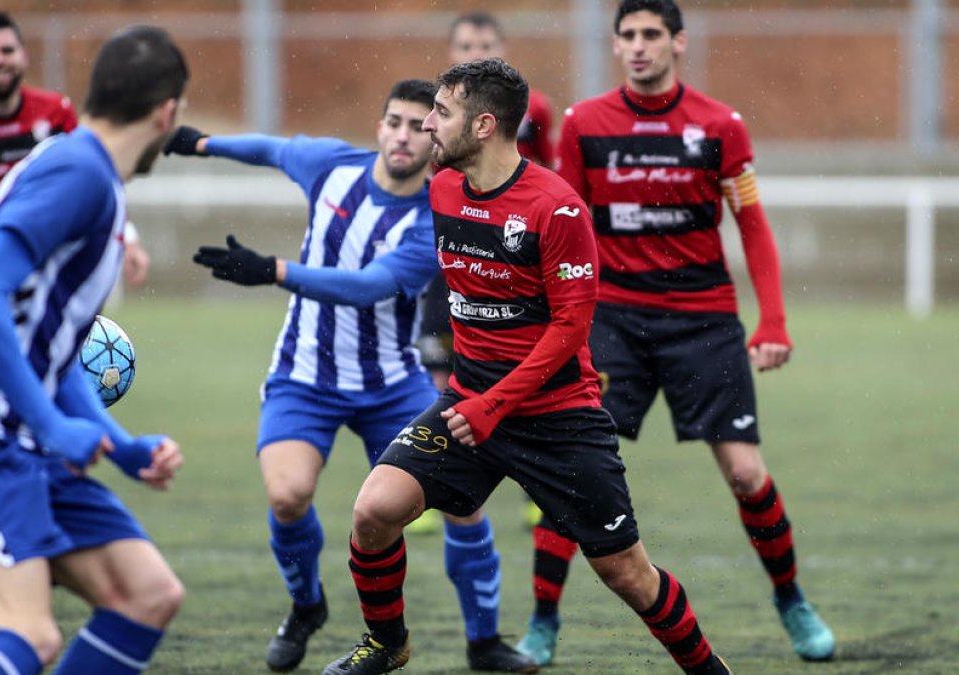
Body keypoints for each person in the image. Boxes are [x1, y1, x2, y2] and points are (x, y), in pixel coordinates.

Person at [321, 57, 731, 675]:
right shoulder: (443, 185)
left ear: (484, 126)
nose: (429, 124)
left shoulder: (556, 209)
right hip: (468, 407)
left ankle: (708, 669)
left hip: (557, 417)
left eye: (442, 112)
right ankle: (386, 643)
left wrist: (495, 404)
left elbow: (571, 328)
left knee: (628, 575)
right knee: (374, 510)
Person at [166, 79, 536, 674]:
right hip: (304, 376)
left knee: (463, 506)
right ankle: (306, 606)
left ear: (437, 136)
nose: (403, 135)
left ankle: (483, 640)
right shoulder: (335, 165)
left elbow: (369, 287)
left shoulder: (433, 219)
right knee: (288, 496)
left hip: (393, 383)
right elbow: (273, 149)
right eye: (393, 121)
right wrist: (201, 144)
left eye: (420, 125)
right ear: (381, 125)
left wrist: (273, 270)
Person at [514, 0, 837, 667]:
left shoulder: (720, 125)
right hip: (613, 323)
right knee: (577, 471)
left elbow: (751, 223)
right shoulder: (583, 124)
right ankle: (542, 619)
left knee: (747, 473)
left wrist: (772, 319)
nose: (637, 46)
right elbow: (565, 223)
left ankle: (792, 599)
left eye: (650, 34)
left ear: (677, 42)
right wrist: (554, 316)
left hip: (704, 322)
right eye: (626, 35)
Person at [0, 25, 188, 674]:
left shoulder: (92, 176)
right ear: (167, 111)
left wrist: (119, 443)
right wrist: (52, 424)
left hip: (19, 430)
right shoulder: (78, 172)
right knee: (31, 635)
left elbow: (56, 351)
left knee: (147, 594)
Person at [0, 9, 150, 335]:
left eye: (7, 50)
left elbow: (97, 179)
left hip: (46, 284)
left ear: (24, 56)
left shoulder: (55, 113)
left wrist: (127, 238)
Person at [412, 10, 560, 537]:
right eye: (465, 44)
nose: (473, 52)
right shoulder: (441, 111)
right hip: (452, 255)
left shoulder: (530, 107)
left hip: (508, 252)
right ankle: (436, 485)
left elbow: (542, 167)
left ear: (501, 47)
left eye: (484, 43)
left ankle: (535, 488)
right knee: (441, 372)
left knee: (515, 365)